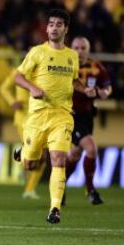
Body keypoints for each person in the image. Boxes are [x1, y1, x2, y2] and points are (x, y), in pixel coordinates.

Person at [14, 9, 96, 224]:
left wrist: (83, 89)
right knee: (30, 165)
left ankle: (55, 208)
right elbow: (18, 76)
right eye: (51, 24)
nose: (54, 28)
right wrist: (32, 88)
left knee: (58, 159)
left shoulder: (71, 56)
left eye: (59, 24)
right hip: (38, 116)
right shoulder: (37, 52)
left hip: (62, 115)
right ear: (47, 28)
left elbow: (74, 81)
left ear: (65, 29)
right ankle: (23, 150)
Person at [65, 36, 112, 205]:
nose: (79, 51)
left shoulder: (96, 66)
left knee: (75, 154)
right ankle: (90, 190)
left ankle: (59, 186)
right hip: (70, 114)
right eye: (76, 48)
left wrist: (105, 92)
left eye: (83, 48)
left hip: (87, 115)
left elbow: (107, 85)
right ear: (71, 48)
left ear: (88, 50)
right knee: (91, 148)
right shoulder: (66, 65)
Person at [0, 69, 46, 200]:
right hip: (23, 118)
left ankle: (29, 188)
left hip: (39, 118)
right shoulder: (18, 72)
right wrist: (12, 101)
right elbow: (4, 88)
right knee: (36, 152)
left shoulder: (44, 70)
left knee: (42, 157)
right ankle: (22, 163)